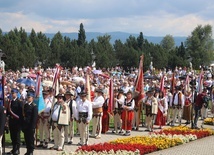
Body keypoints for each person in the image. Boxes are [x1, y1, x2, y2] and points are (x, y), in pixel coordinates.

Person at [6, 88, 23, 155]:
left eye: (14, 93)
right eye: (12, 93)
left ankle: (17, 149)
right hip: (11, 121)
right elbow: (8, 111)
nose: (13, 94)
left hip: (17, 121)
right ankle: (13, 149)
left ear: (16, 94)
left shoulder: (19, 102)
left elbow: (21, 113)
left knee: (17, 136)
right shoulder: (10, 102)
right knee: (12, 136)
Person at [22, 90, 38, 155]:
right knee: (26, 138)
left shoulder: (34, 106)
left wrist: (33, 126)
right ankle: (28, 150)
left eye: (29, 97)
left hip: (31, 125)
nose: (28, 98)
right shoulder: (25, 105)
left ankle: (31, 151)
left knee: (31, 139)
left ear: (32, 98)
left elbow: (34, 117)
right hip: (26, 125)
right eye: (27, 97)